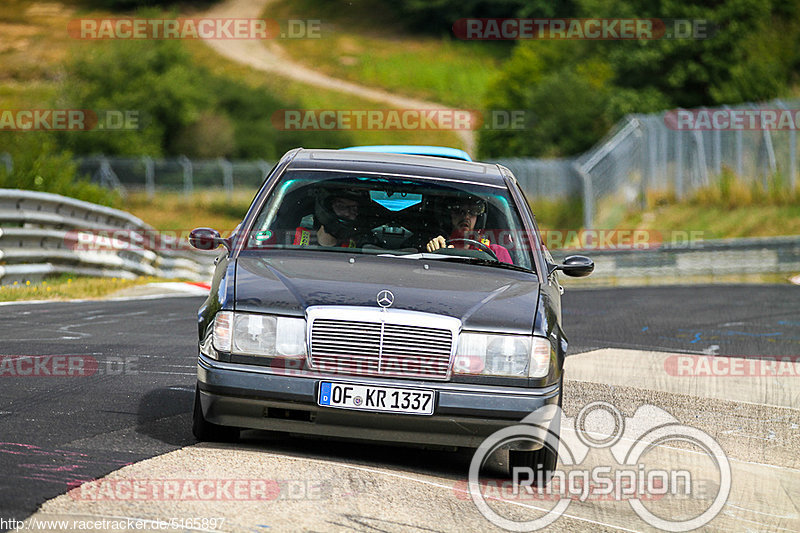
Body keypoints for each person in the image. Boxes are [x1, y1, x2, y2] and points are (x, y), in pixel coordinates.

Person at [425, 195, 513, 264]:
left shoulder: (496, 253)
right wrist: (435, 252)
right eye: (459, 211)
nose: (466, 217)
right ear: (448, 217)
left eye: (473, 212)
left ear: (479, 219)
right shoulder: (438, 246)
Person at [293, 189, 367, 248]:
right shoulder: (290, 238)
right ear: (326, 208)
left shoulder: (360, 247)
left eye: (354, 209)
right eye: (341, 206)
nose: (347, 213)